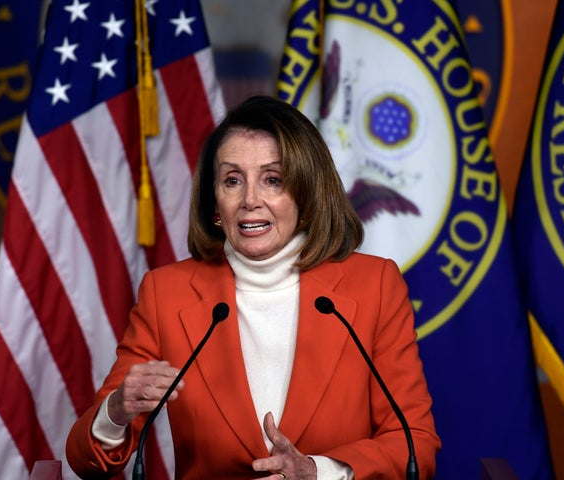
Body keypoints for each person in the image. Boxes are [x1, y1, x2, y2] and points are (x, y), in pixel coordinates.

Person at [66, 95, 441, 479]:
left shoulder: (373, 287)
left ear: (307, 192)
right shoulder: (167, 294)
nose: (249, 200)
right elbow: (84, 461)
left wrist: (317, 472)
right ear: (215, 202)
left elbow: (415, 444)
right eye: (232, 180)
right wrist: (116, 411)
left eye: (272, 180)